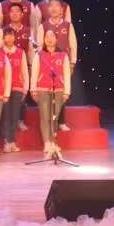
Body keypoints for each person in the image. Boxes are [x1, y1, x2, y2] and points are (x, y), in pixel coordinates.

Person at [36, 0, 79, 130]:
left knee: (61, 92)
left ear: (61, 9)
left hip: (63, 64)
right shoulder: (43, 26)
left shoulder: (68, 25)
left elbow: (73, 44)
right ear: (48, 9)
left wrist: (72, 62)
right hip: (47, 64)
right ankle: (49, 124)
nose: (54, 8)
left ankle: (61, 122)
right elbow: (39, 47)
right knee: (48, 94)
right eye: (51, 6)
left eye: (57, 6)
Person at [31, 29, 72, 158]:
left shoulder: (63, 55)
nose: (49, 39)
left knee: (54, 117)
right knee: (45, 117)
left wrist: (66, 91)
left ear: (56, 39)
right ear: (44, 40)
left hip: (58, 90)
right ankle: (47, 143)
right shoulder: (39, 55)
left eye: (52, 36)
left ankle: (53, 142)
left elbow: (66, 74)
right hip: (42, 89)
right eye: (47, 37)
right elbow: (34, 72)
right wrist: (33, 89)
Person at [0, 27, 29, 152]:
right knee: (6, 116)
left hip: (17, 88)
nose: (9, 37)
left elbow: (24, 71)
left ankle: (12, 142)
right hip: (3, 89)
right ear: (3, 38)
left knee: (14, 116)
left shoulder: (20, 52)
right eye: (7, 35)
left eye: (11, 35)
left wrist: (25, 89)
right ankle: (7, 141)